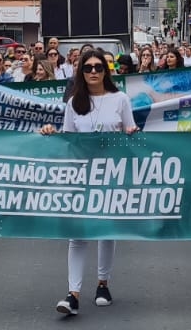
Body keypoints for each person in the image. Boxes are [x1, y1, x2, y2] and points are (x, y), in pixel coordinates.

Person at [40, 50, 139, 315]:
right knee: (78, 234)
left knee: (106, 231)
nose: (93, 71)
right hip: (82, 174)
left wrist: (131, 133)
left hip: (111, 174)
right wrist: (51, 133)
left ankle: (103, 283)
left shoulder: (121, 99)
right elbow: (68, 139)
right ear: (81, 73)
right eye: (88, 68)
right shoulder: (74, 103)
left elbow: (130, 133)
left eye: (98, 67)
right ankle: (73, 294)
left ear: (106, 71)